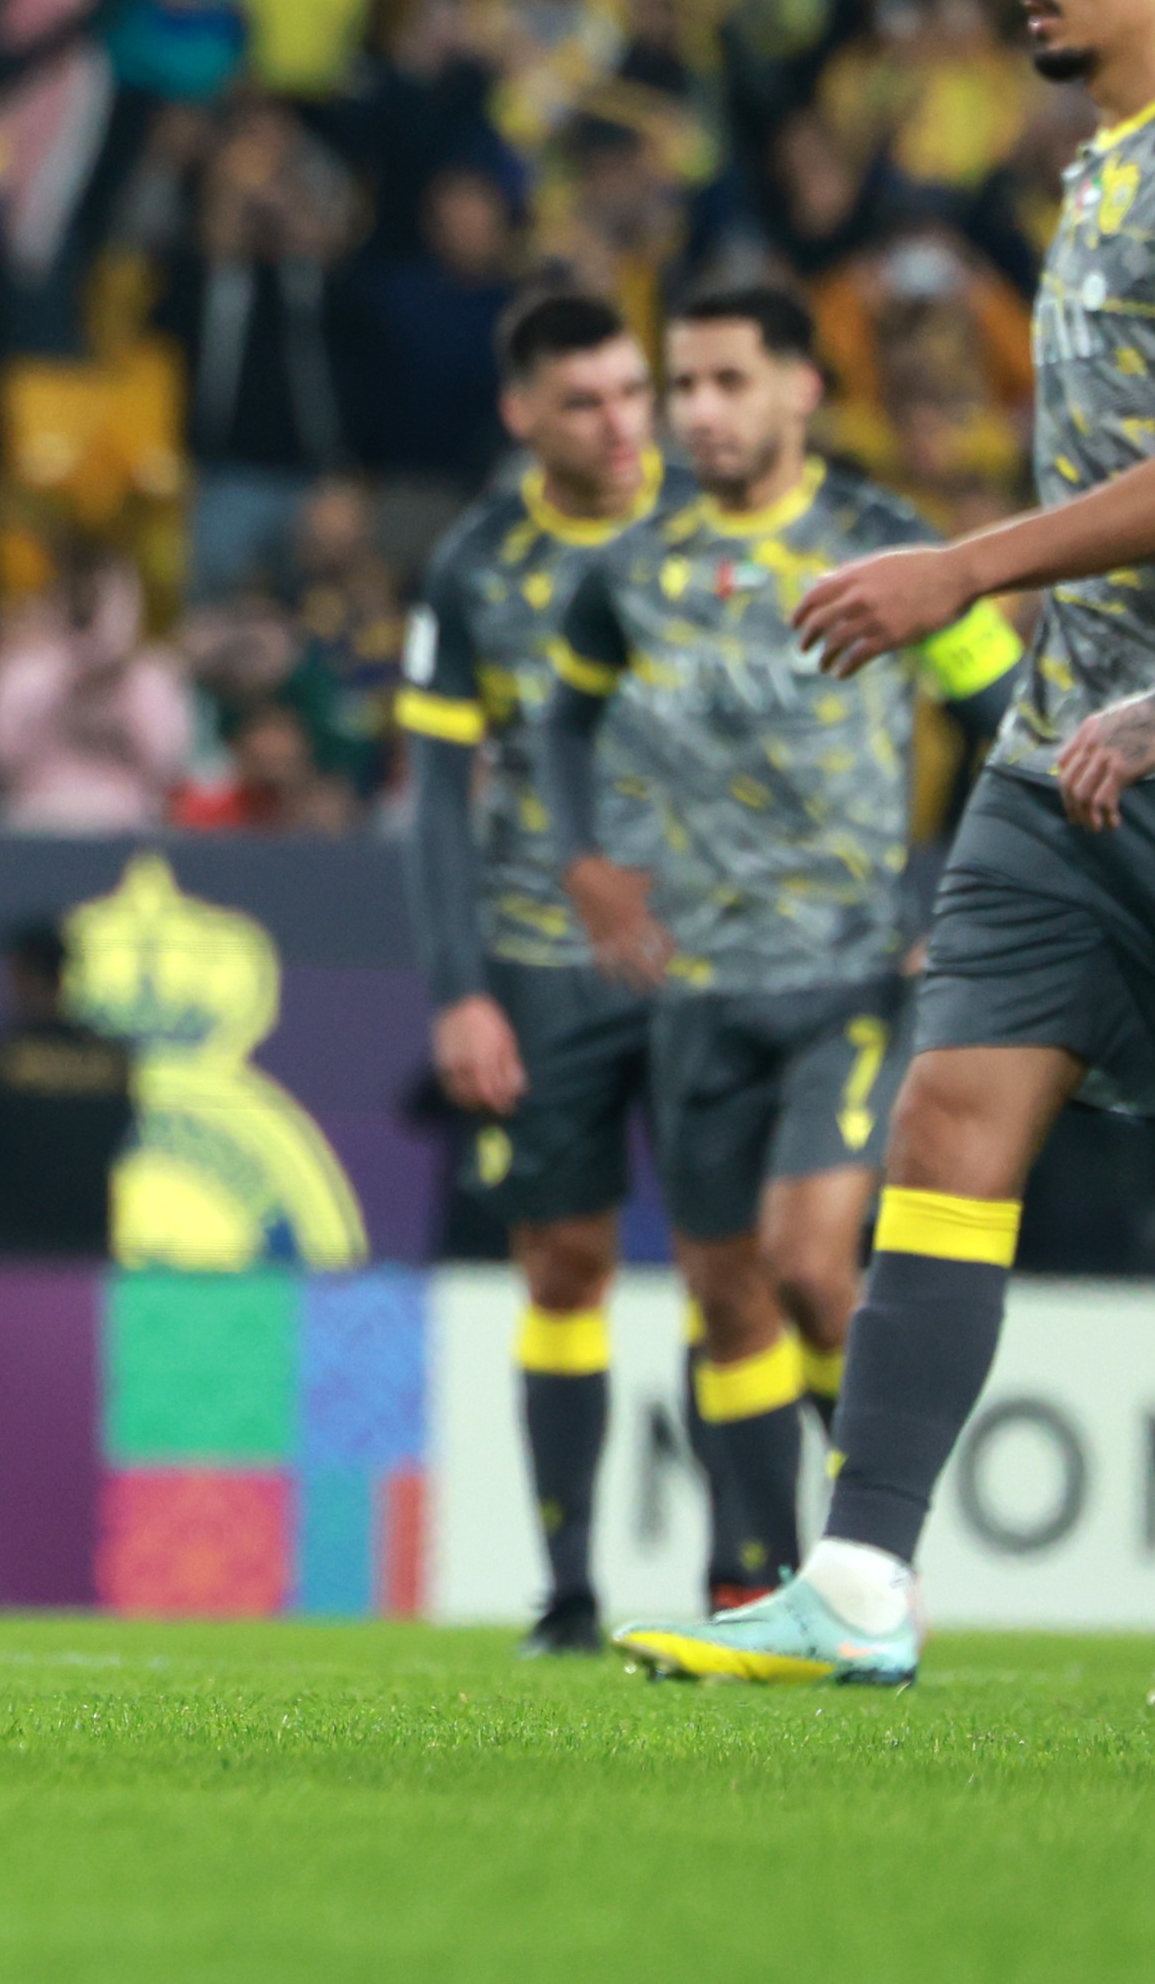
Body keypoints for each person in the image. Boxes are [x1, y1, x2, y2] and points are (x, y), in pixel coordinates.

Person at [626, 0, 1155, 1692]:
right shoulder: (1095, 171)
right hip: (1058, 748)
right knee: (945, 1125)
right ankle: (862, 1575)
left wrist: (968, 566)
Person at [542, 289, 1018, 1610]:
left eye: (726, 382)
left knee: (814, 1268)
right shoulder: (631, 566)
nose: (699, 411)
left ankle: (866, 1557)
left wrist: (955, 901)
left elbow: (1004, 715)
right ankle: (754, 1584)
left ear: (801, 389)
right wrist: (587, 864)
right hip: (694, 987)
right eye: (682, 385)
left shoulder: (884, 546)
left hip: (850, 979)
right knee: (726, 1296)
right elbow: (567, 722)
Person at [393, 290, 690, 1654]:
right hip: (541, 960)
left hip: (723, 956)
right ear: (523, 416)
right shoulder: (472, 568)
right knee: (562, 1261)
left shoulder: (722, 529)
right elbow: (440, 800)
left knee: (760, 1267)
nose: (622, 422)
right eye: (587, 400)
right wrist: (460, 987)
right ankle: (570, 1595)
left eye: (635, 392)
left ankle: (789, 1576)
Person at [0, 921, 137, 1263]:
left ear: (21, 974)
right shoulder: (112, 1060)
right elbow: (123, 1141)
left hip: (7, 1254)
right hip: (86, 1254)